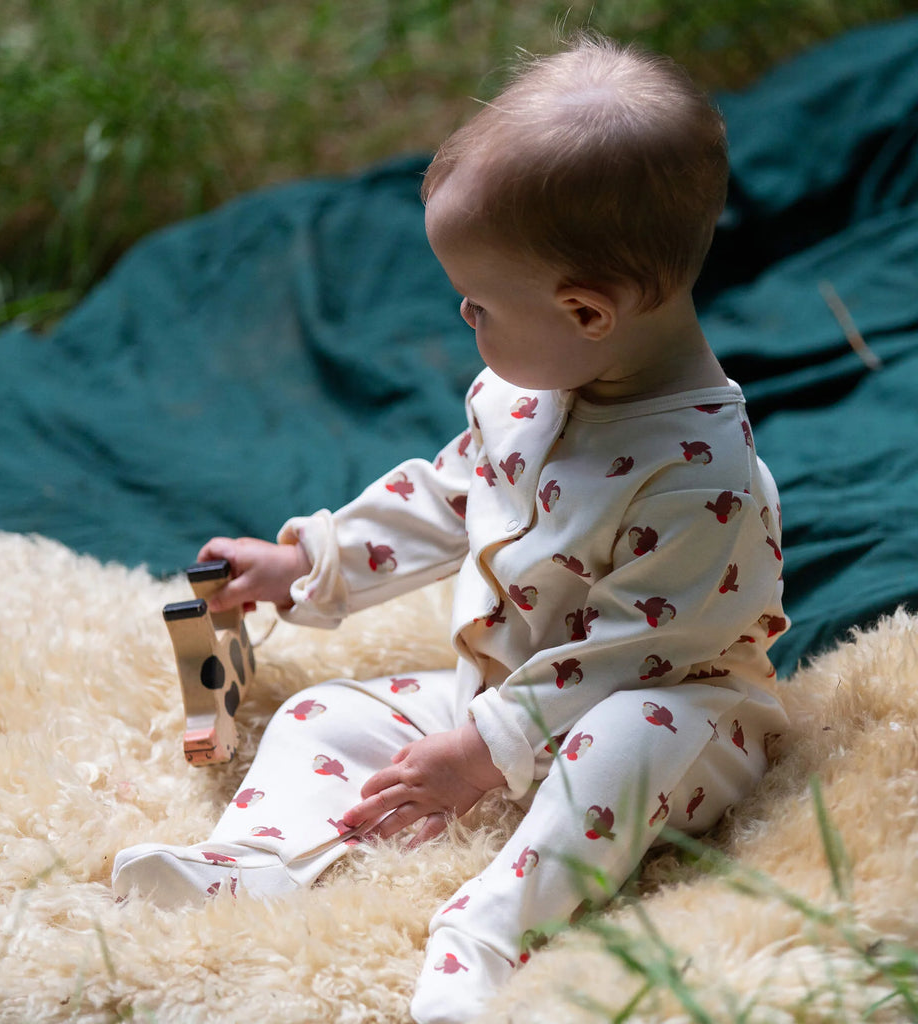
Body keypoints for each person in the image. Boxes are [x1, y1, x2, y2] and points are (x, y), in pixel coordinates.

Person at [114, 31, 789, 1023]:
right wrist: (310, 561)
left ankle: (489, 930)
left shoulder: (698, 476)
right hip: (500, 696)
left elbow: (632, 655)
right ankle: (257, 859)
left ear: (587, 313)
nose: (465, 322)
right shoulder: (529, 389)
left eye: (479, 306)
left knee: (628, 741)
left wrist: (485, 750)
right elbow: (448, 492)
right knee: (325, 713)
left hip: (669, 712)